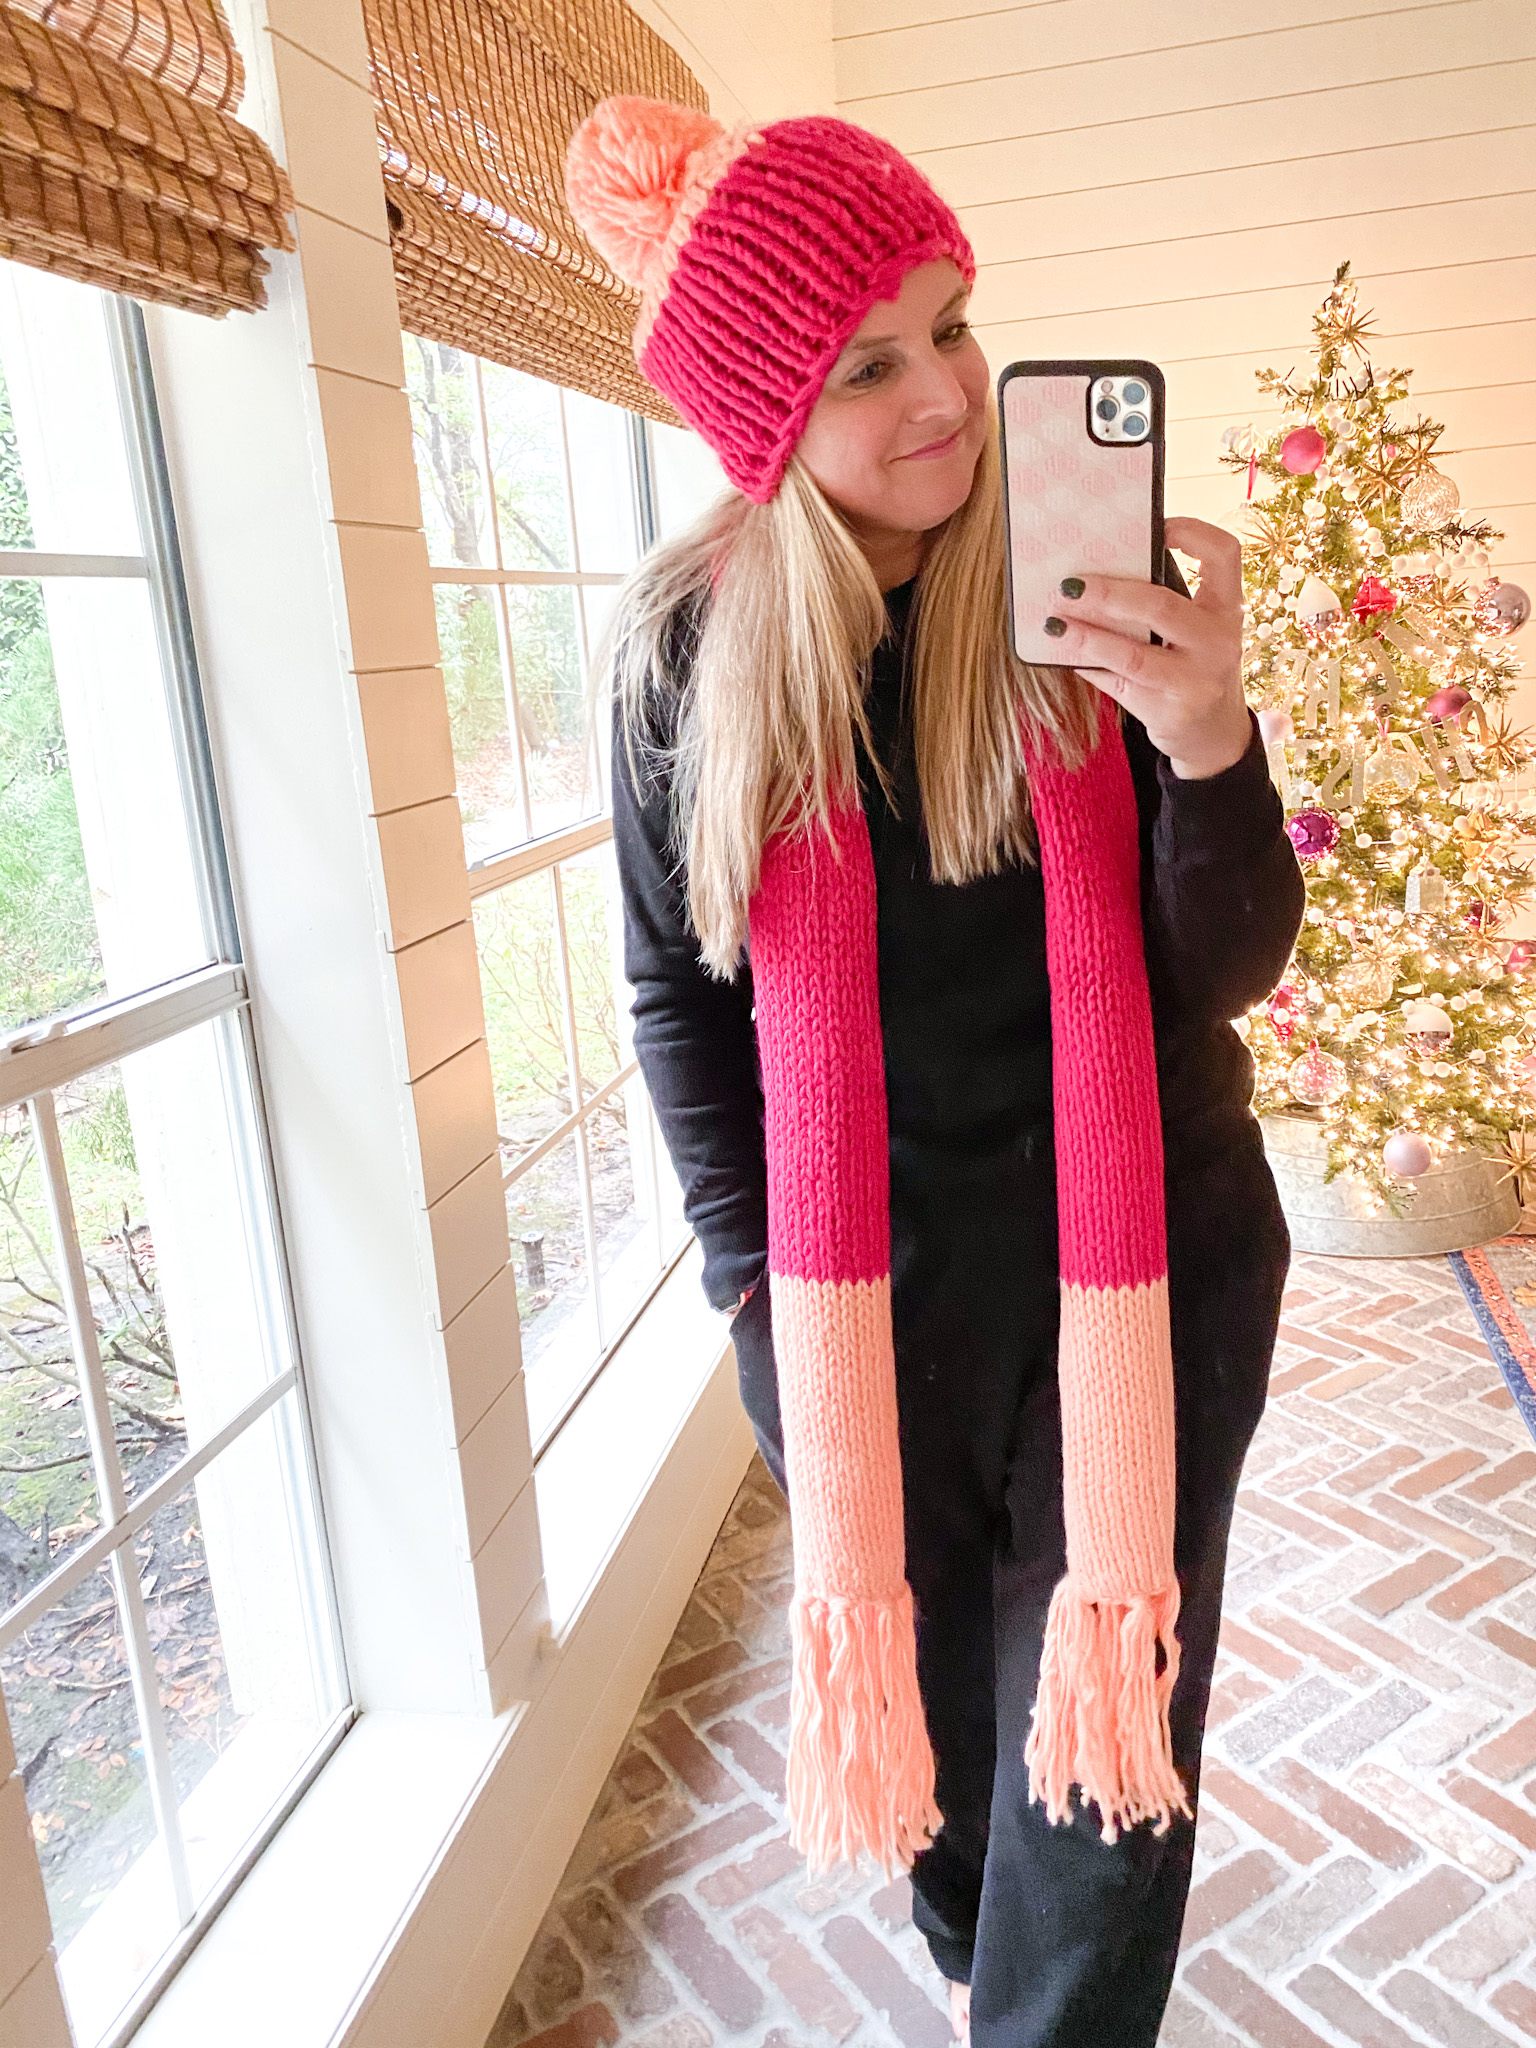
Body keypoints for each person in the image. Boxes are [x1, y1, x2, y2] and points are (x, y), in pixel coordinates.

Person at [565, 97, 1303, 2048]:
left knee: (1095, 1739)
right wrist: (747, 1282)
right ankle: (977, 1929)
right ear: (763, 411)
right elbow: (675, 1002)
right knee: (969, 1790)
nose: (949, 394)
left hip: (1146, 1268)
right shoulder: (687, 659)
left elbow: (1217, 974)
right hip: (865, 1304)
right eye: (871, 359)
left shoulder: (1077, 600)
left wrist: (1211, 739)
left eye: (956, 325)